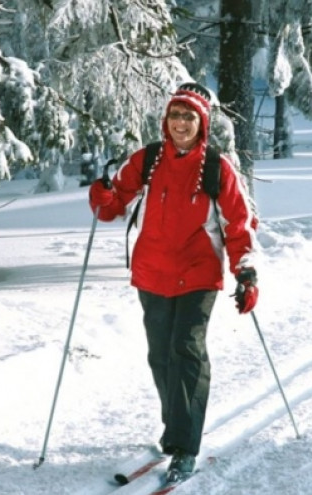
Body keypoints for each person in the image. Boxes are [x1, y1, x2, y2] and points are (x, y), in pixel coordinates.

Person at [87, 82, 259, 482]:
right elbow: (114, 207)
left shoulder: (217, 167)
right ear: (166, 120)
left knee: (187, 351)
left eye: (189, 116)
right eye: (175, 115)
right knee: (160, 355)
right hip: (152, 273)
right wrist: (102, 194)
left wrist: (245, 272)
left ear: (203, 123)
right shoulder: (147, 159)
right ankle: (175, 430)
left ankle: (184, 445)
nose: (181, 123)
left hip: (198, 273)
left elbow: (238, 224)